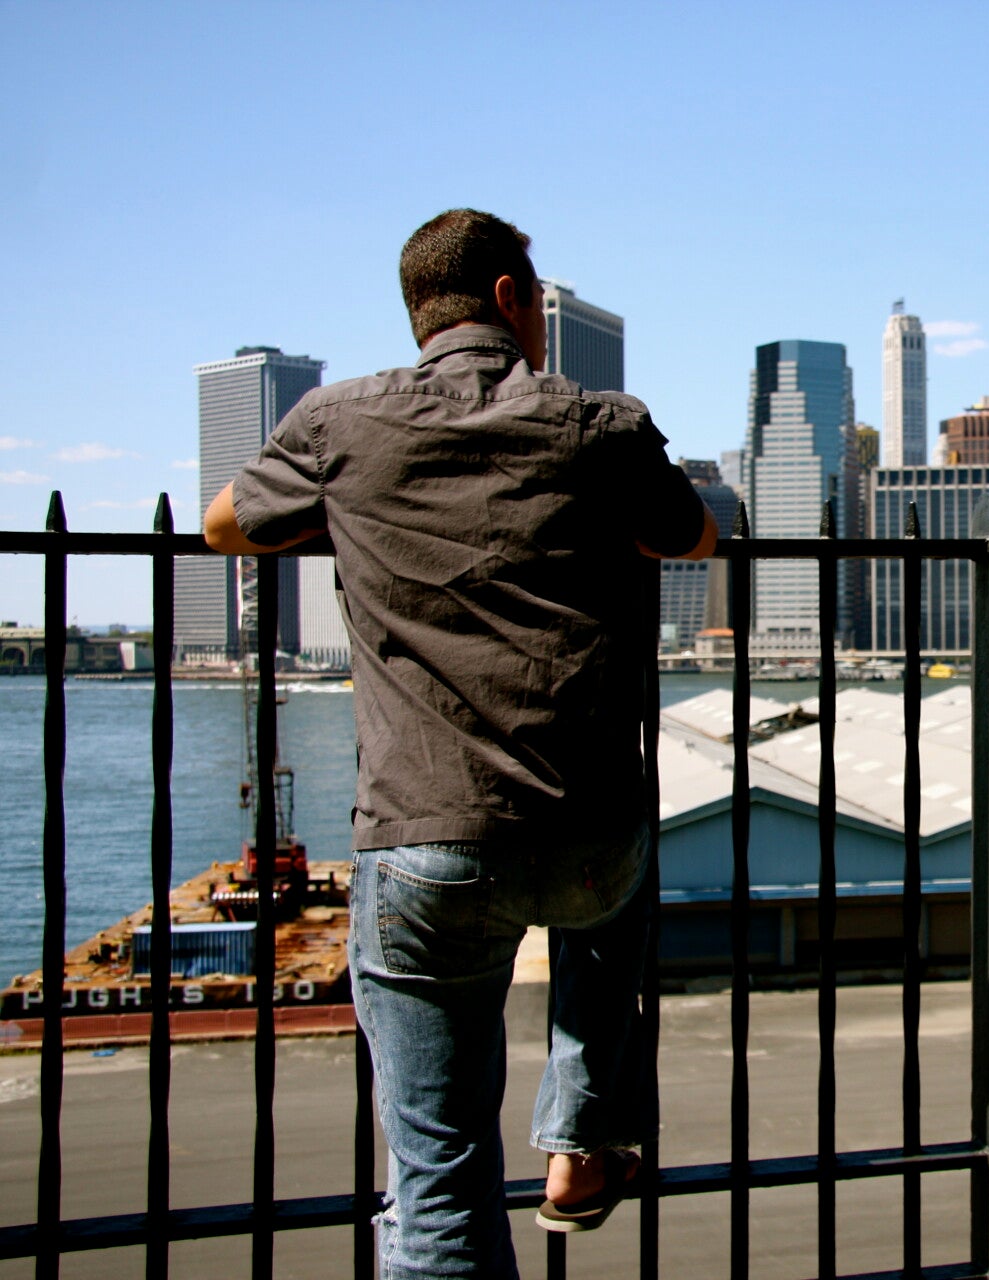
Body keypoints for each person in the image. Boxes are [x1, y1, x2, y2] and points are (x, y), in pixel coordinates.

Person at [205, 208, 716, 1277]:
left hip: (422, 840)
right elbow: (694, 534)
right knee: (615, 897)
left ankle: (549, 1162)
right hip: (584, 831)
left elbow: (223, 525)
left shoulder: (340, 421)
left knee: (437, 1181)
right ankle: (582, 1139)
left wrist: (348, 513)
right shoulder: (599, 420)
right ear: (508, 298)